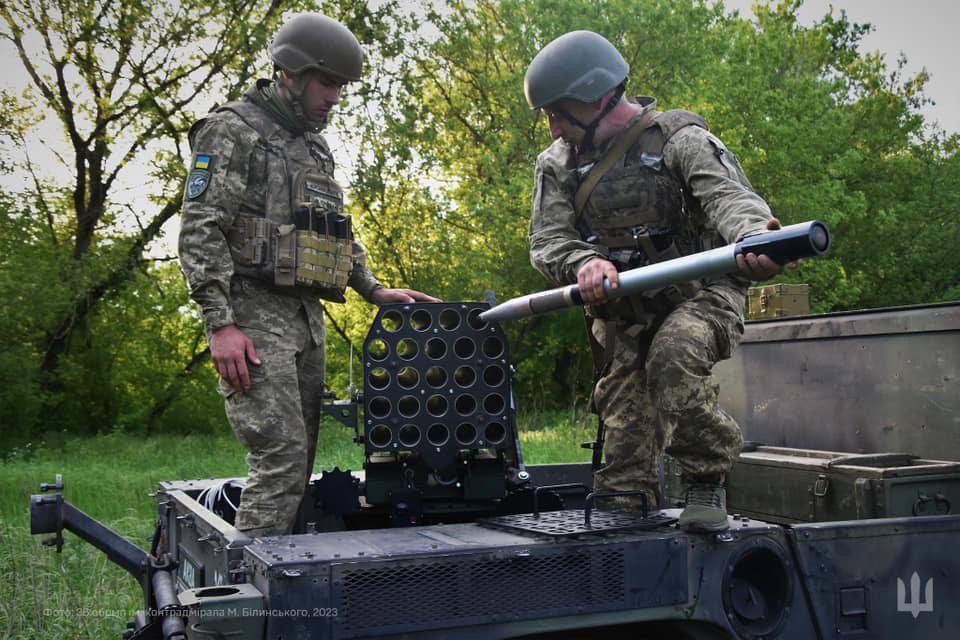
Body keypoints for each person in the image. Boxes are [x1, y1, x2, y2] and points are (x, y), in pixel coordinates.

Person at [178, 13, 438, 537]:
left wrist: (372, 287)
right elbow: (200, 230)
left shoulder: (314, 146)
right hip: (251, 316)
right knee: (280, 457)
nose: (336, 97)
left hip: (305, 318)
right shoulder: (232, 130)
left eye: (341, 86)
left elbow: (333, 233)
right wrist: (220, 325)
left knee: (300, 462)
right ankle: (243, 598)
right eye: (328, 83)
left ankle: (288, 583)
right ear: (289, 74)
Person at [524, 30, 788, 532]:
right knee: (623, 432)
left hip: (702, 295)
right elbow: (547, 241)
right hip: (624, 311)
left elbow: (730, 199)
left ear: (600, 98)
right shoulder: (557, 165)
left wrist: (757, 239)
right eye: (549, 116)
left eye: (560, 113)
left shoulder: (679, 140)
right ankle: (626, 518)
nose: (554, 128)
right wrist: (584, 262)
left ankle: (706, 476)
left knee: (672, 356)